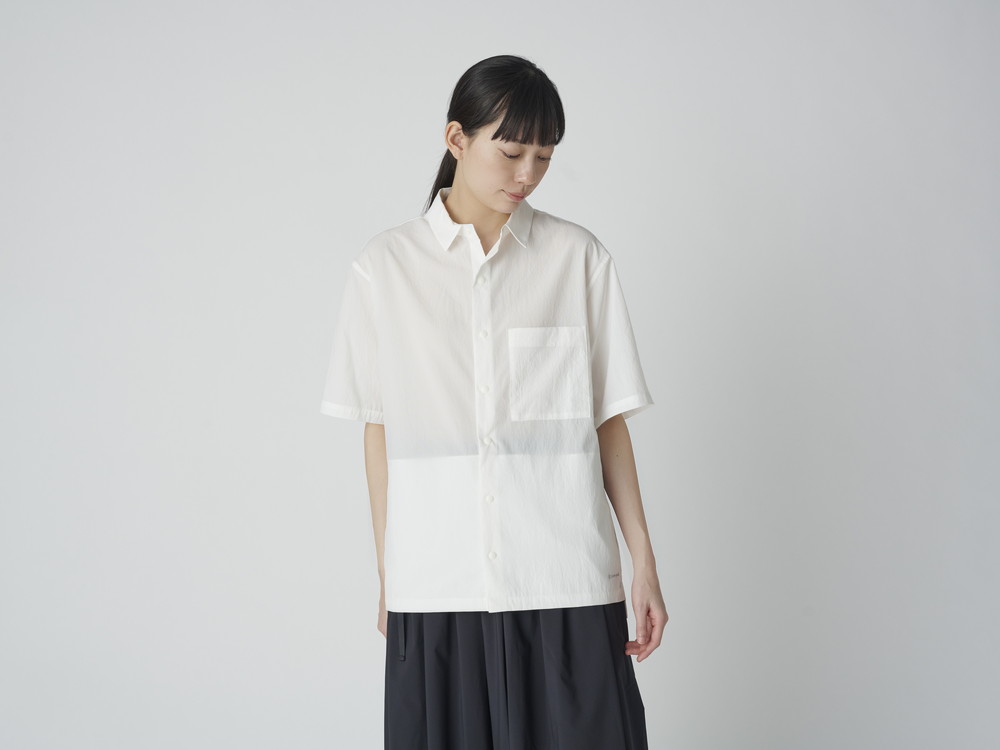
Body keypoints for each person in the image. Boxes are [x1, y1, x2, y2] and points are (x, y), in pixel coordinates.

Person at [320, 54, 668, 750]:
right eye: (511, 153)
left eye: (544, 157)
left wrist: (644, 561)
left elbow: (606, 422)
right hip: (437, 584)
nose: (528, 175)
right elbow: (380, 431)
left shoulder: (576, 258)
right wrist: (391, 575)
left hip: (565, 577)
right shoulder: (384, 268)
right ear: (457, 139)